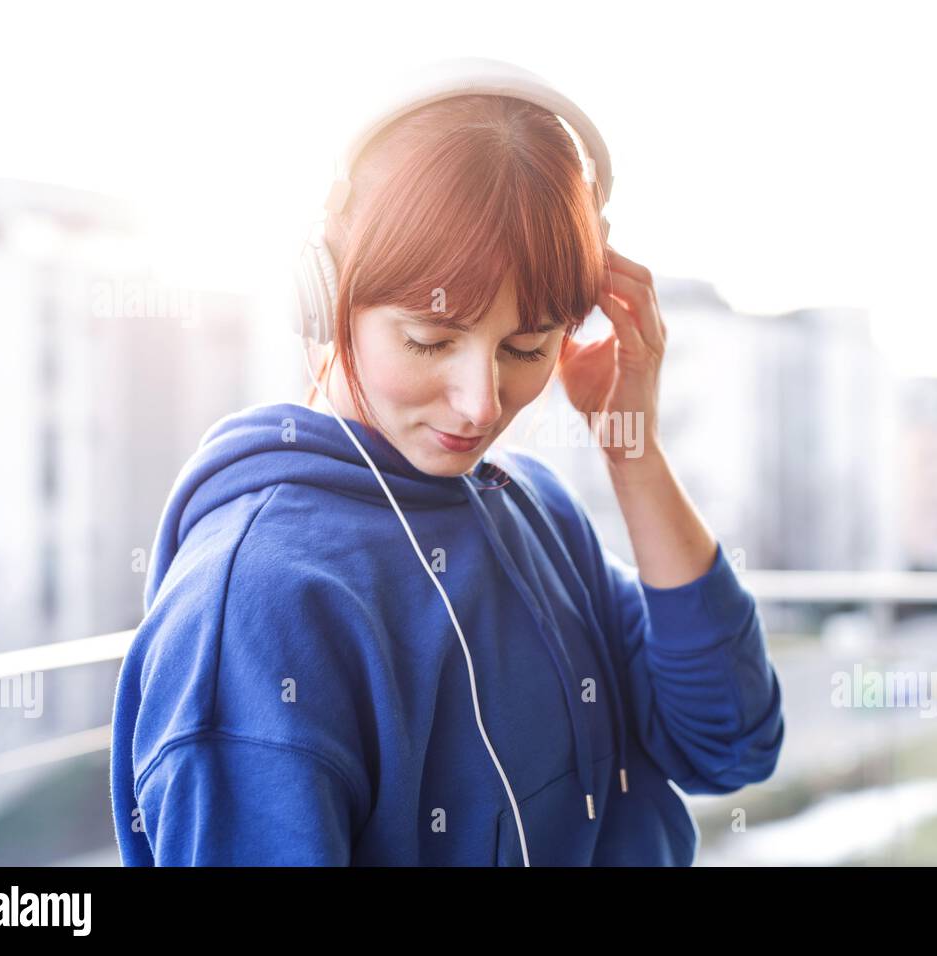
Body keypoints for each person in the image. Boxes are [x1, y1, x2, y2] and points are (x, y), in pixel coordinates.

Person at [110, 90, 784, 866]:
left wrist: (632, 451)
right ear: (326, 297)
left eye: (525, 349)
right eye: (431, 340)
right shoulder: (255, 609)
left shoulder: (531, 510)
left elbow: (732, 742)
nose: (482, 404)